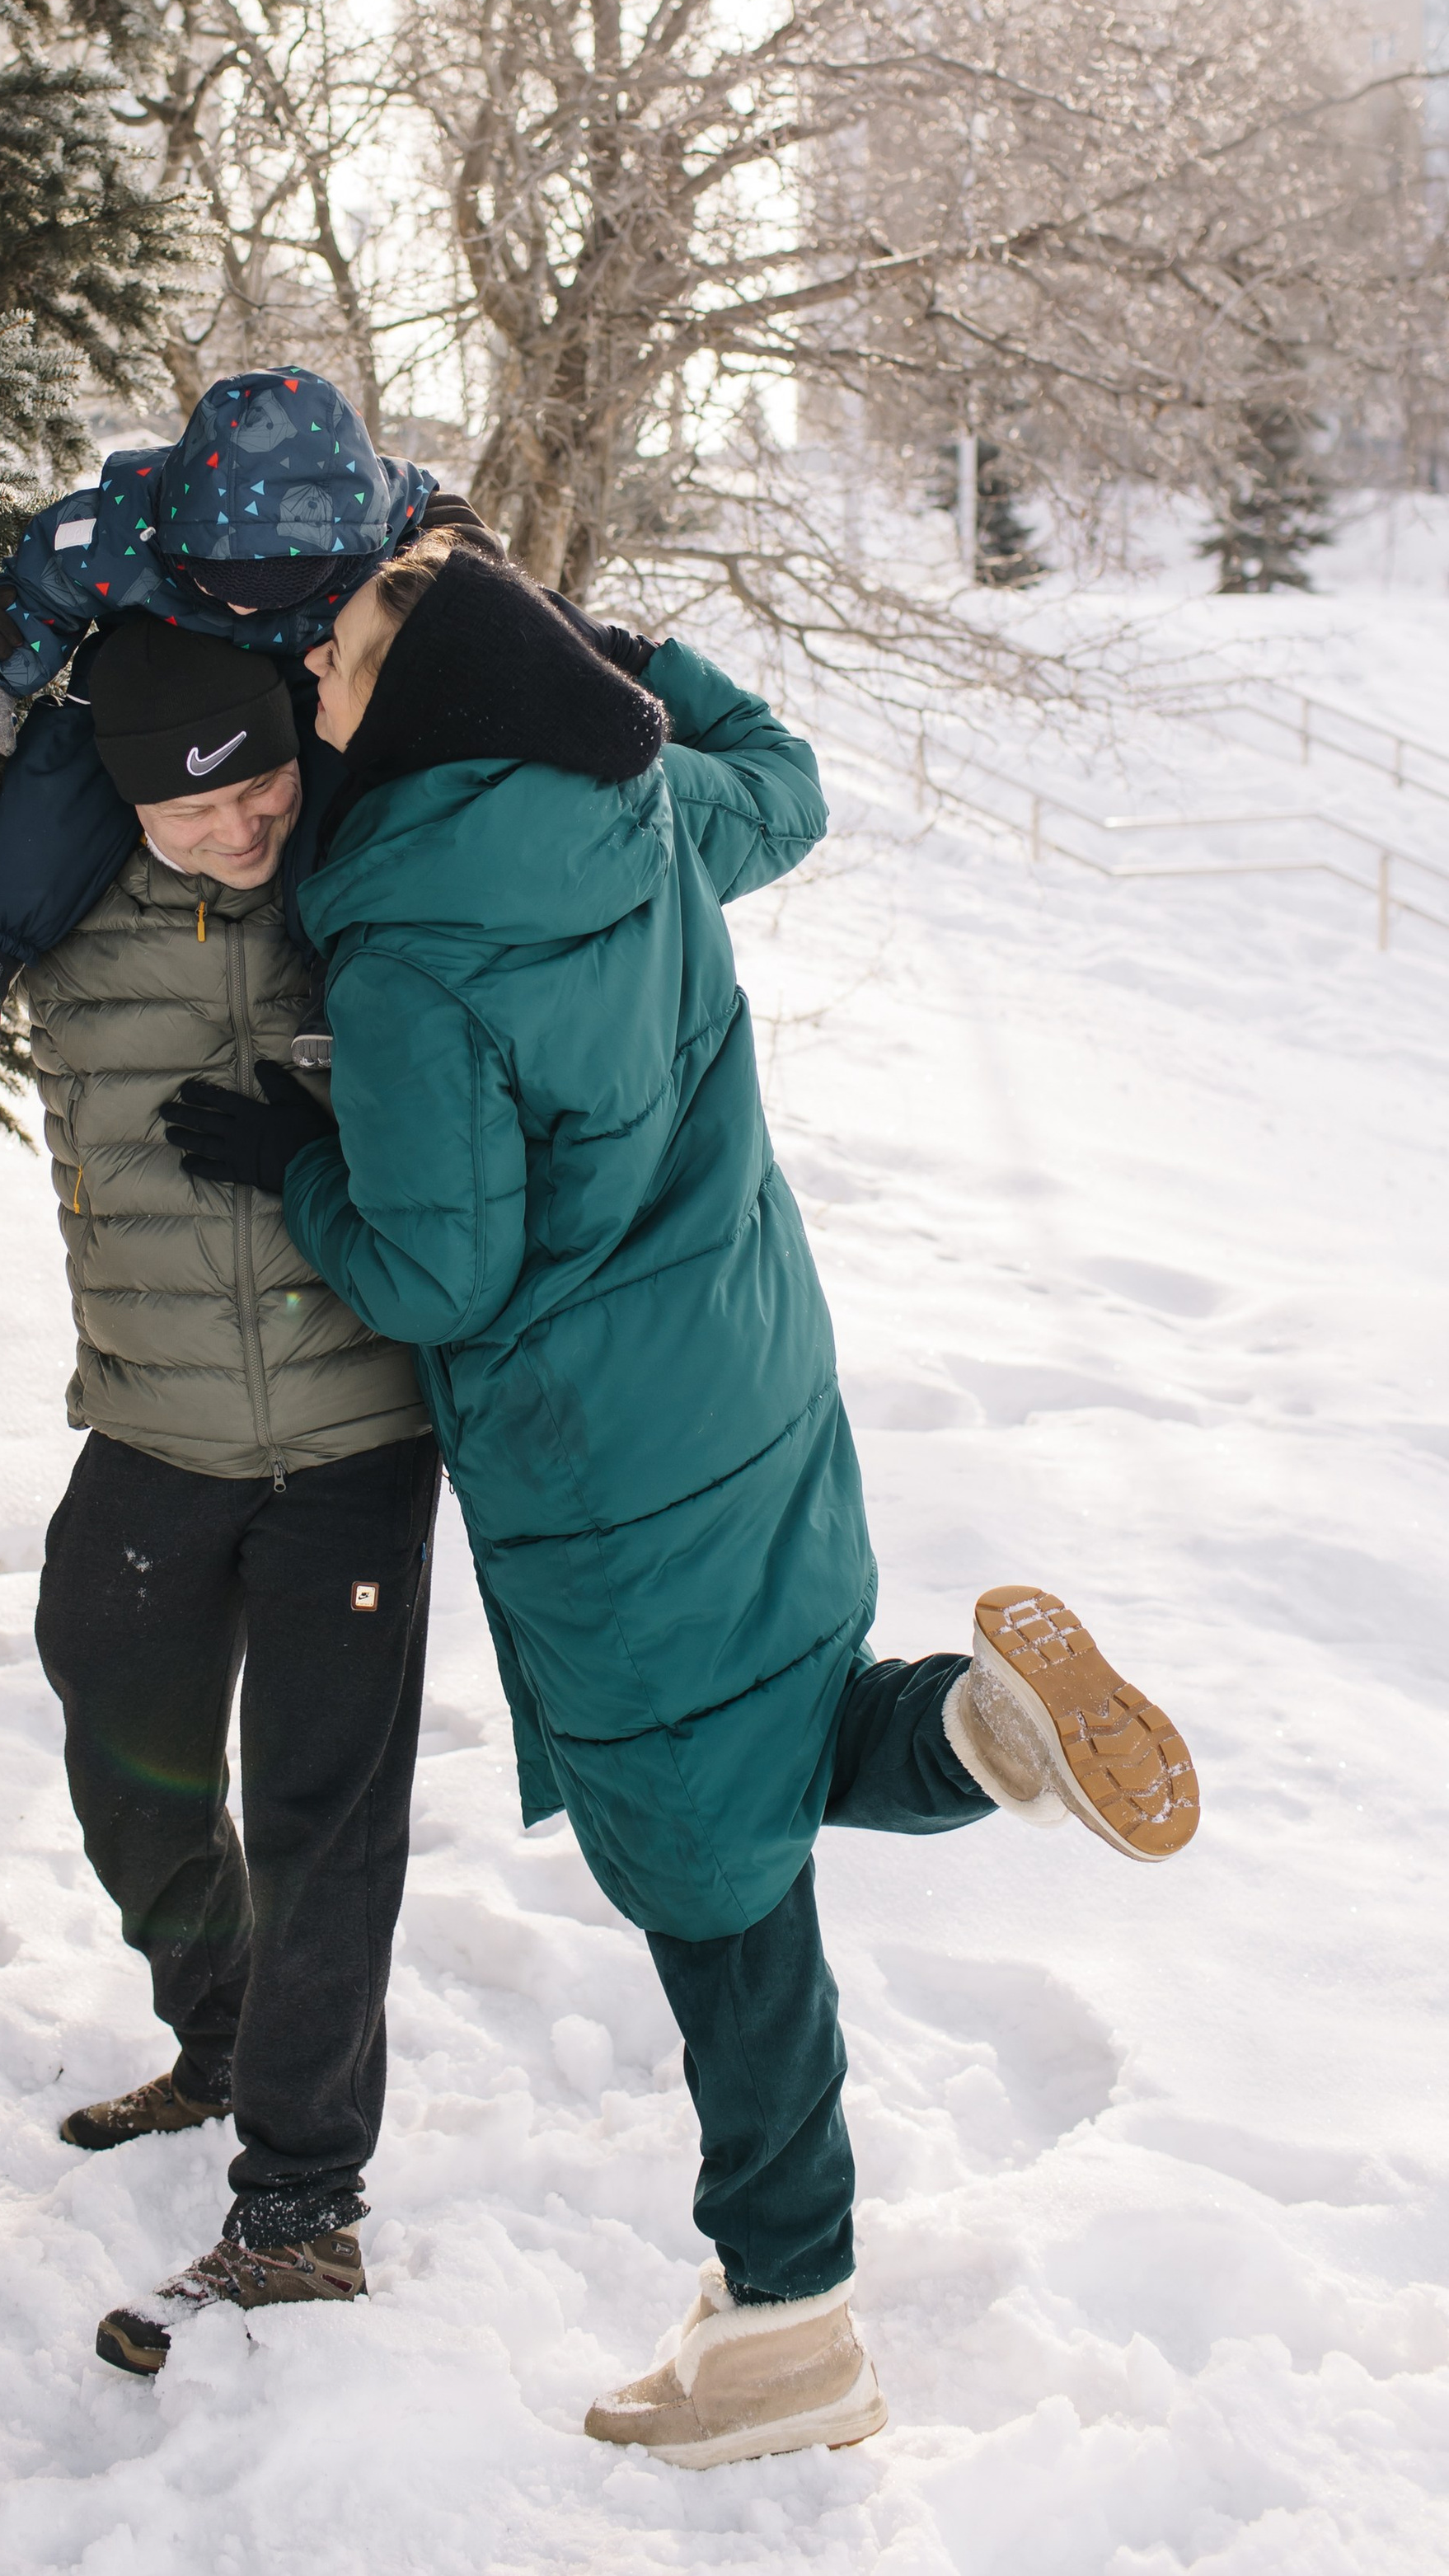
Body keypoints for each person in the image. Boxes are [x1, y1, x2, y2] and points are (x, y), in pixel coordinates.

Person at [161, 533, 1201, 2468]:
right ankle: (980, 1732)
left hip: (601, 1467)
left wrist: (288, 1165)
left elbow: (435, 1275)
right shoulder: (627, 805)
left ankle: (785, 2326)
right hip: (752, 1373)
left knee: (719, 1891)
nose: (314, 662)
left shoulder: (400, 940)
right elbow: (785, 791)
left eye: (350, 643)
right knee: (777, 1731)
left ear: (422, 701)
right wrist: (642, 668)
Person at [0, 613, 442, 2378]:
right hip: (149, 1427)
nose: (246, 825)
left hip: (359, 1436)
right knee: (121, 1754)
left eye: (268, 776)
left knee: (319, 1822)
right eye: (198, 806)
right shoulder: (34, 884)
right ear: (121, 795)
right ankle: (220, 2036)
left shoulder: (356, 851)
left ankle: (299, 2208)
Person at [0, 368, 489, 1049]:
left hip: (306, 681)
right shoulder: (120, 528)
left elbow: (466, 575)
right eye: (222, 581)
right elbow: (41, 591)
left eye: (277, 585)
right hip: (158, 680)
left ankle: (344, 969)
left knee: (347, 778)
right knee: (69, 755)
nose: (245, 605)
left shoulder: (393, 527)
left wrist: (468, 592)